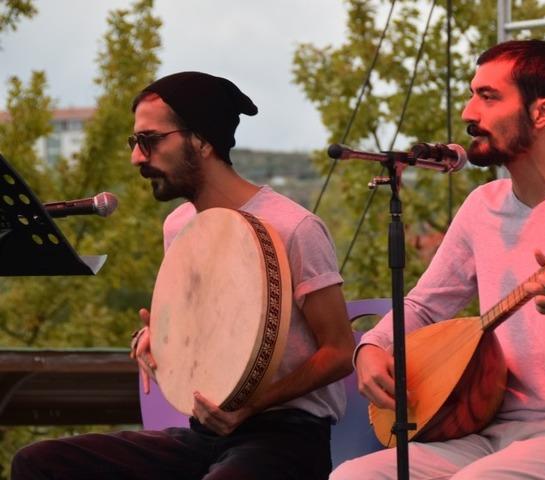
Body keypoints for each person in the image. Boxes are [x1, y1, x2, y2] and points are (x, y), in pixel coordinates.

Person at [330, 40, 545, 479]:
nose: (468, 113)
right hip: (487, 434)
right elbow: (424, 305)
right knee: (353, 476)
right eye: (472, 94)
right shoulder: (483, 205)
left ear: (541, 113)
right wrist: (372, 346)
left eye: (488, 96)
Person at [11, 72, 355, 480]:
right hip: (204, 436)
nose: (137, 158)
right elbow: (211, 334)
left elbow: (339, 351)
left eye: (150, 141)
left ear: (203, 140)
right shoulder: (178, 226)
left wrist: (250, 406)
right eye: (134, 143)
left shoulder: (295, 227)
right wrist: (159, 338)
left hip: (287, 439)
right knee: (39, 463)